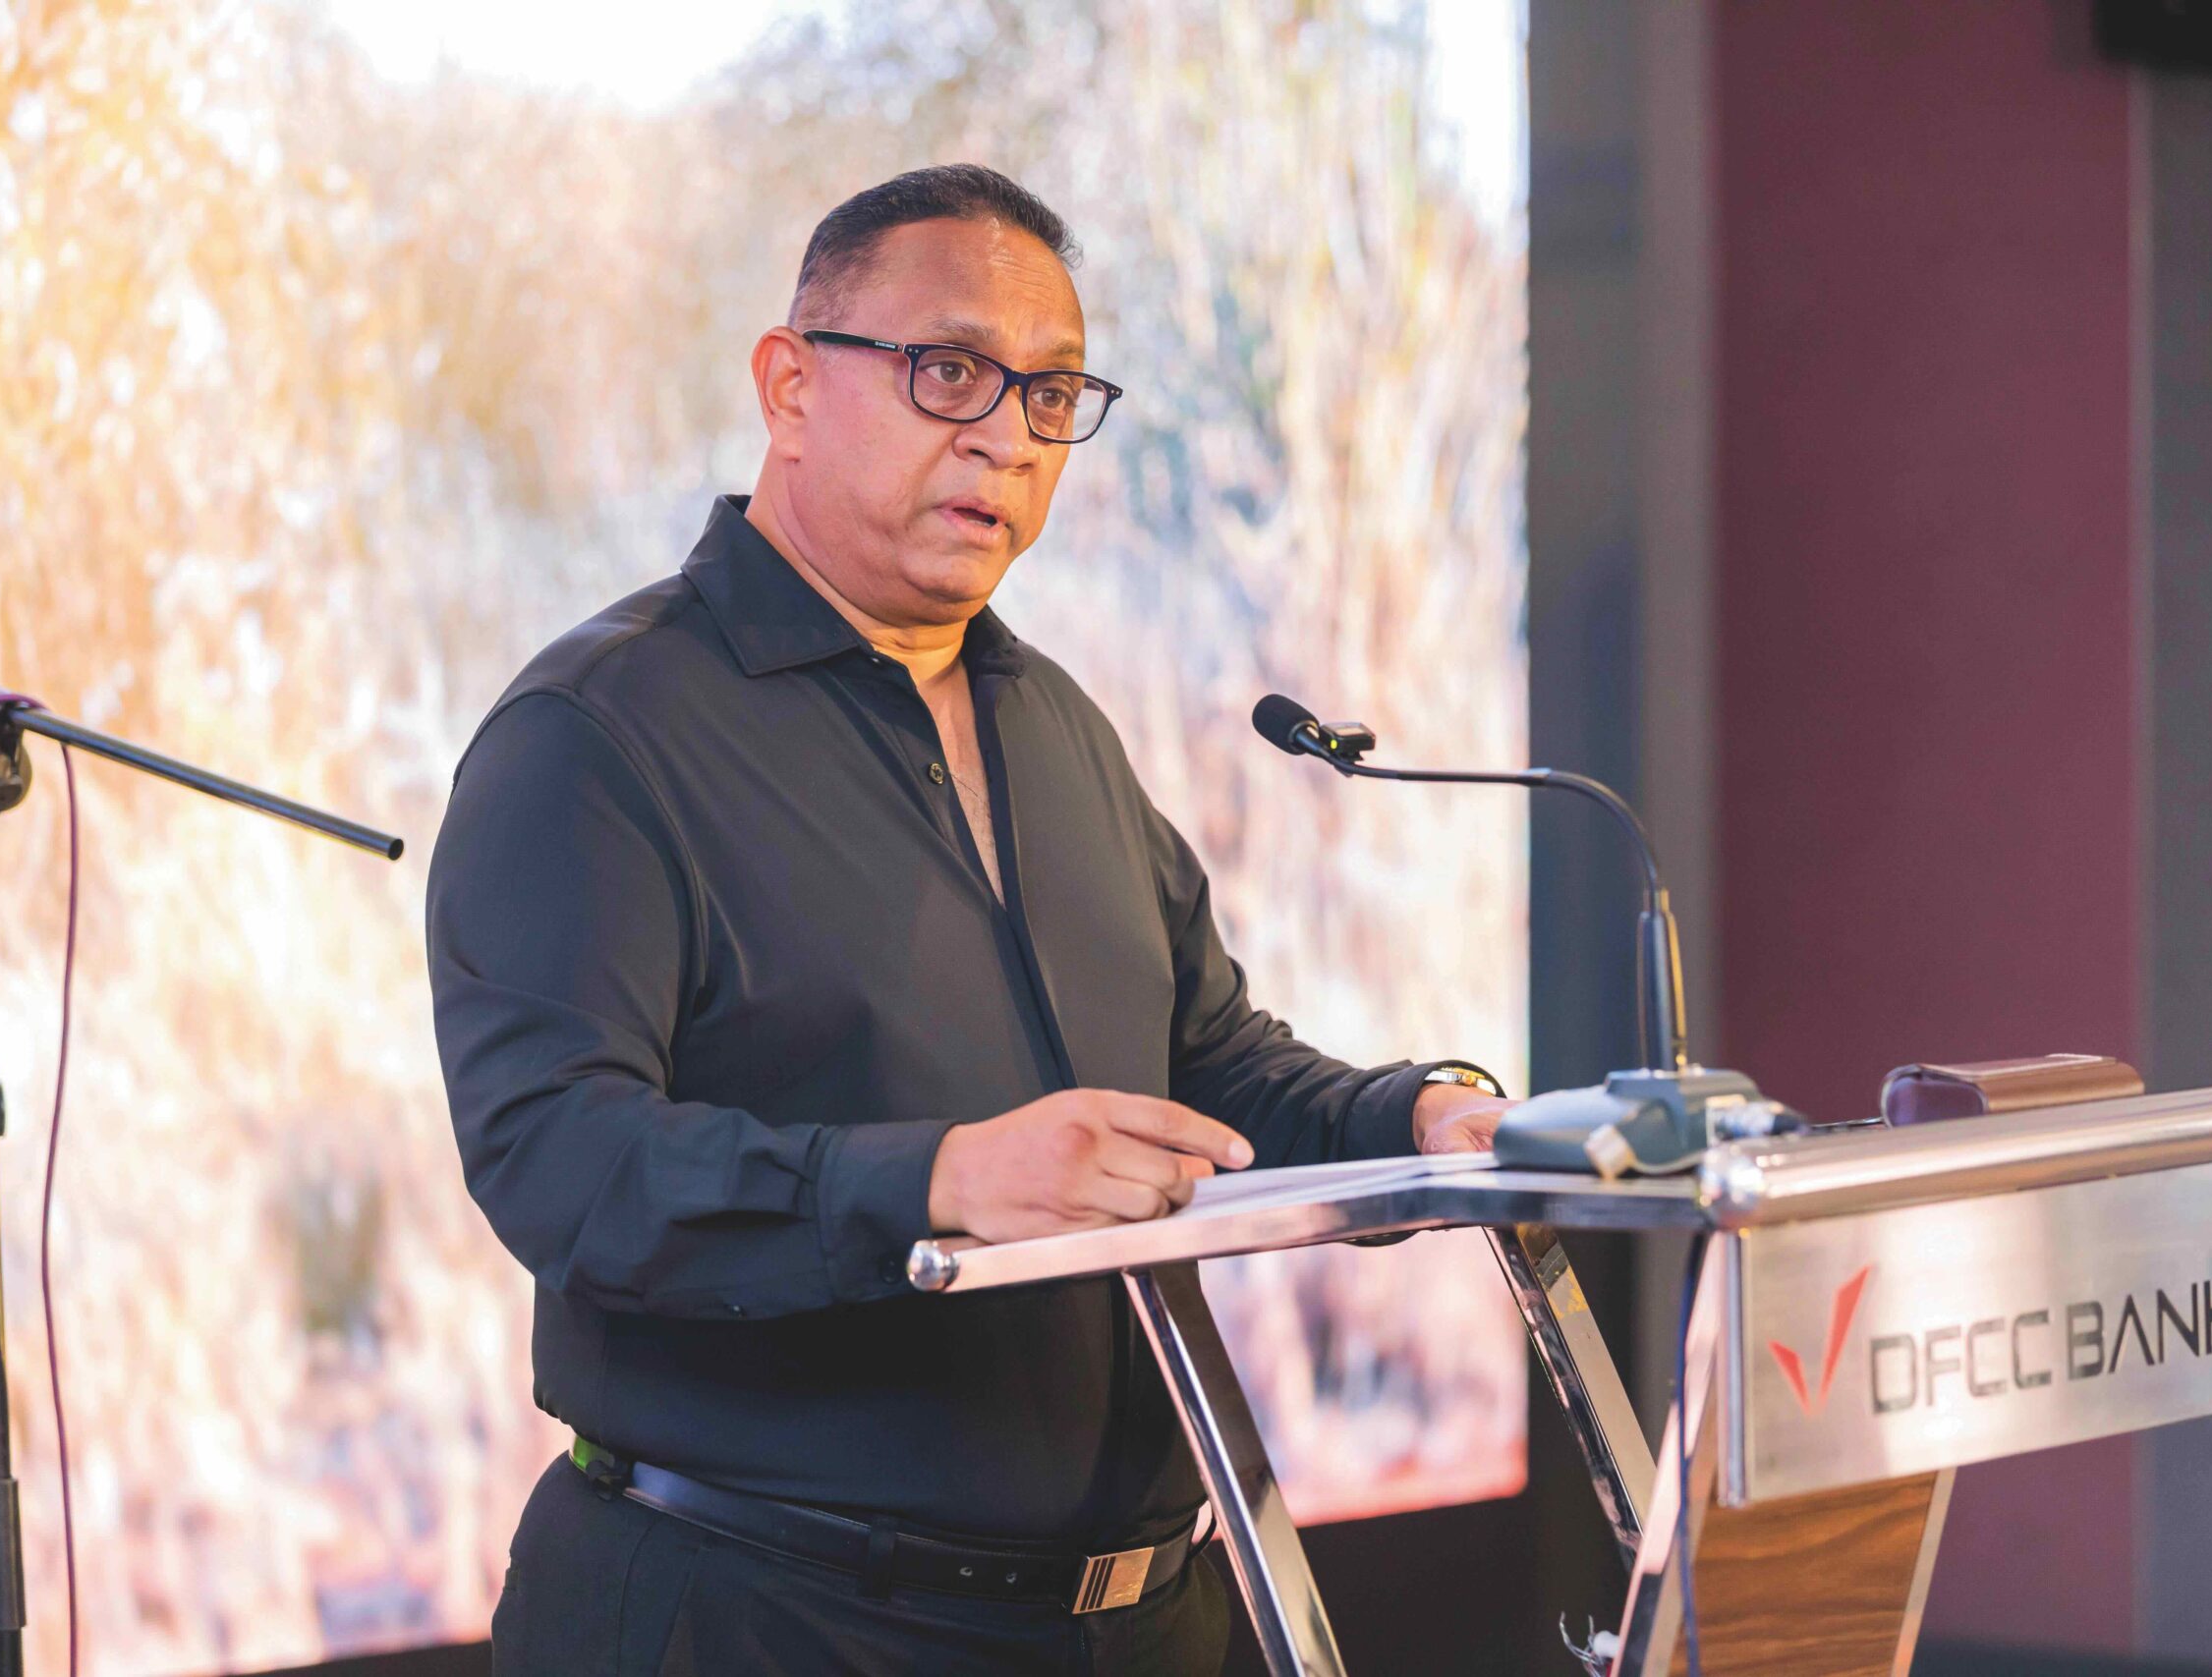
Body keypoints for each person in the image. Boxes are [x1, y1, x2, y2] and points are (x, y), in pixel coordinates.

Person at [426, 162, 1511, 1676]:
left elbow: (1207, 1066)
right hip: (769, 1623)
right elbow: (558, 1161)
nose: (1006, 435)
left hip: (1149, 1621)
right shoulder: (596, 732)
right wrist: (938, 1182)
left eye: (1050, 393)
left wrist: (1430, 1120)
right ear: (789, 388)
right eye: (950, 372)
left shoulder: (1056, 724)